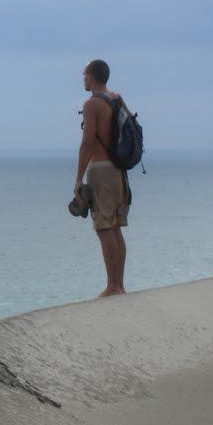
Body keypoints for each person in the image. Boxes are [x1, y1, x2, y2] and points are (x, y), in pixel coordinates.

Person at [73, 58, 128, 297]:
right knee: (114, 227)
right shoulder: (116, 98)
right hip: (118, 170)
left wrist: (78, 178)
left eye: (85, 75)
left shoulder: (92, 104)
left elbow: (87, 143)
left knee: (104, 228)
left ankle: (113, 286)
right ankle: (119, 284)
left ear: (93, 76)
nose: (83, 79)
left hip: (101, 169)